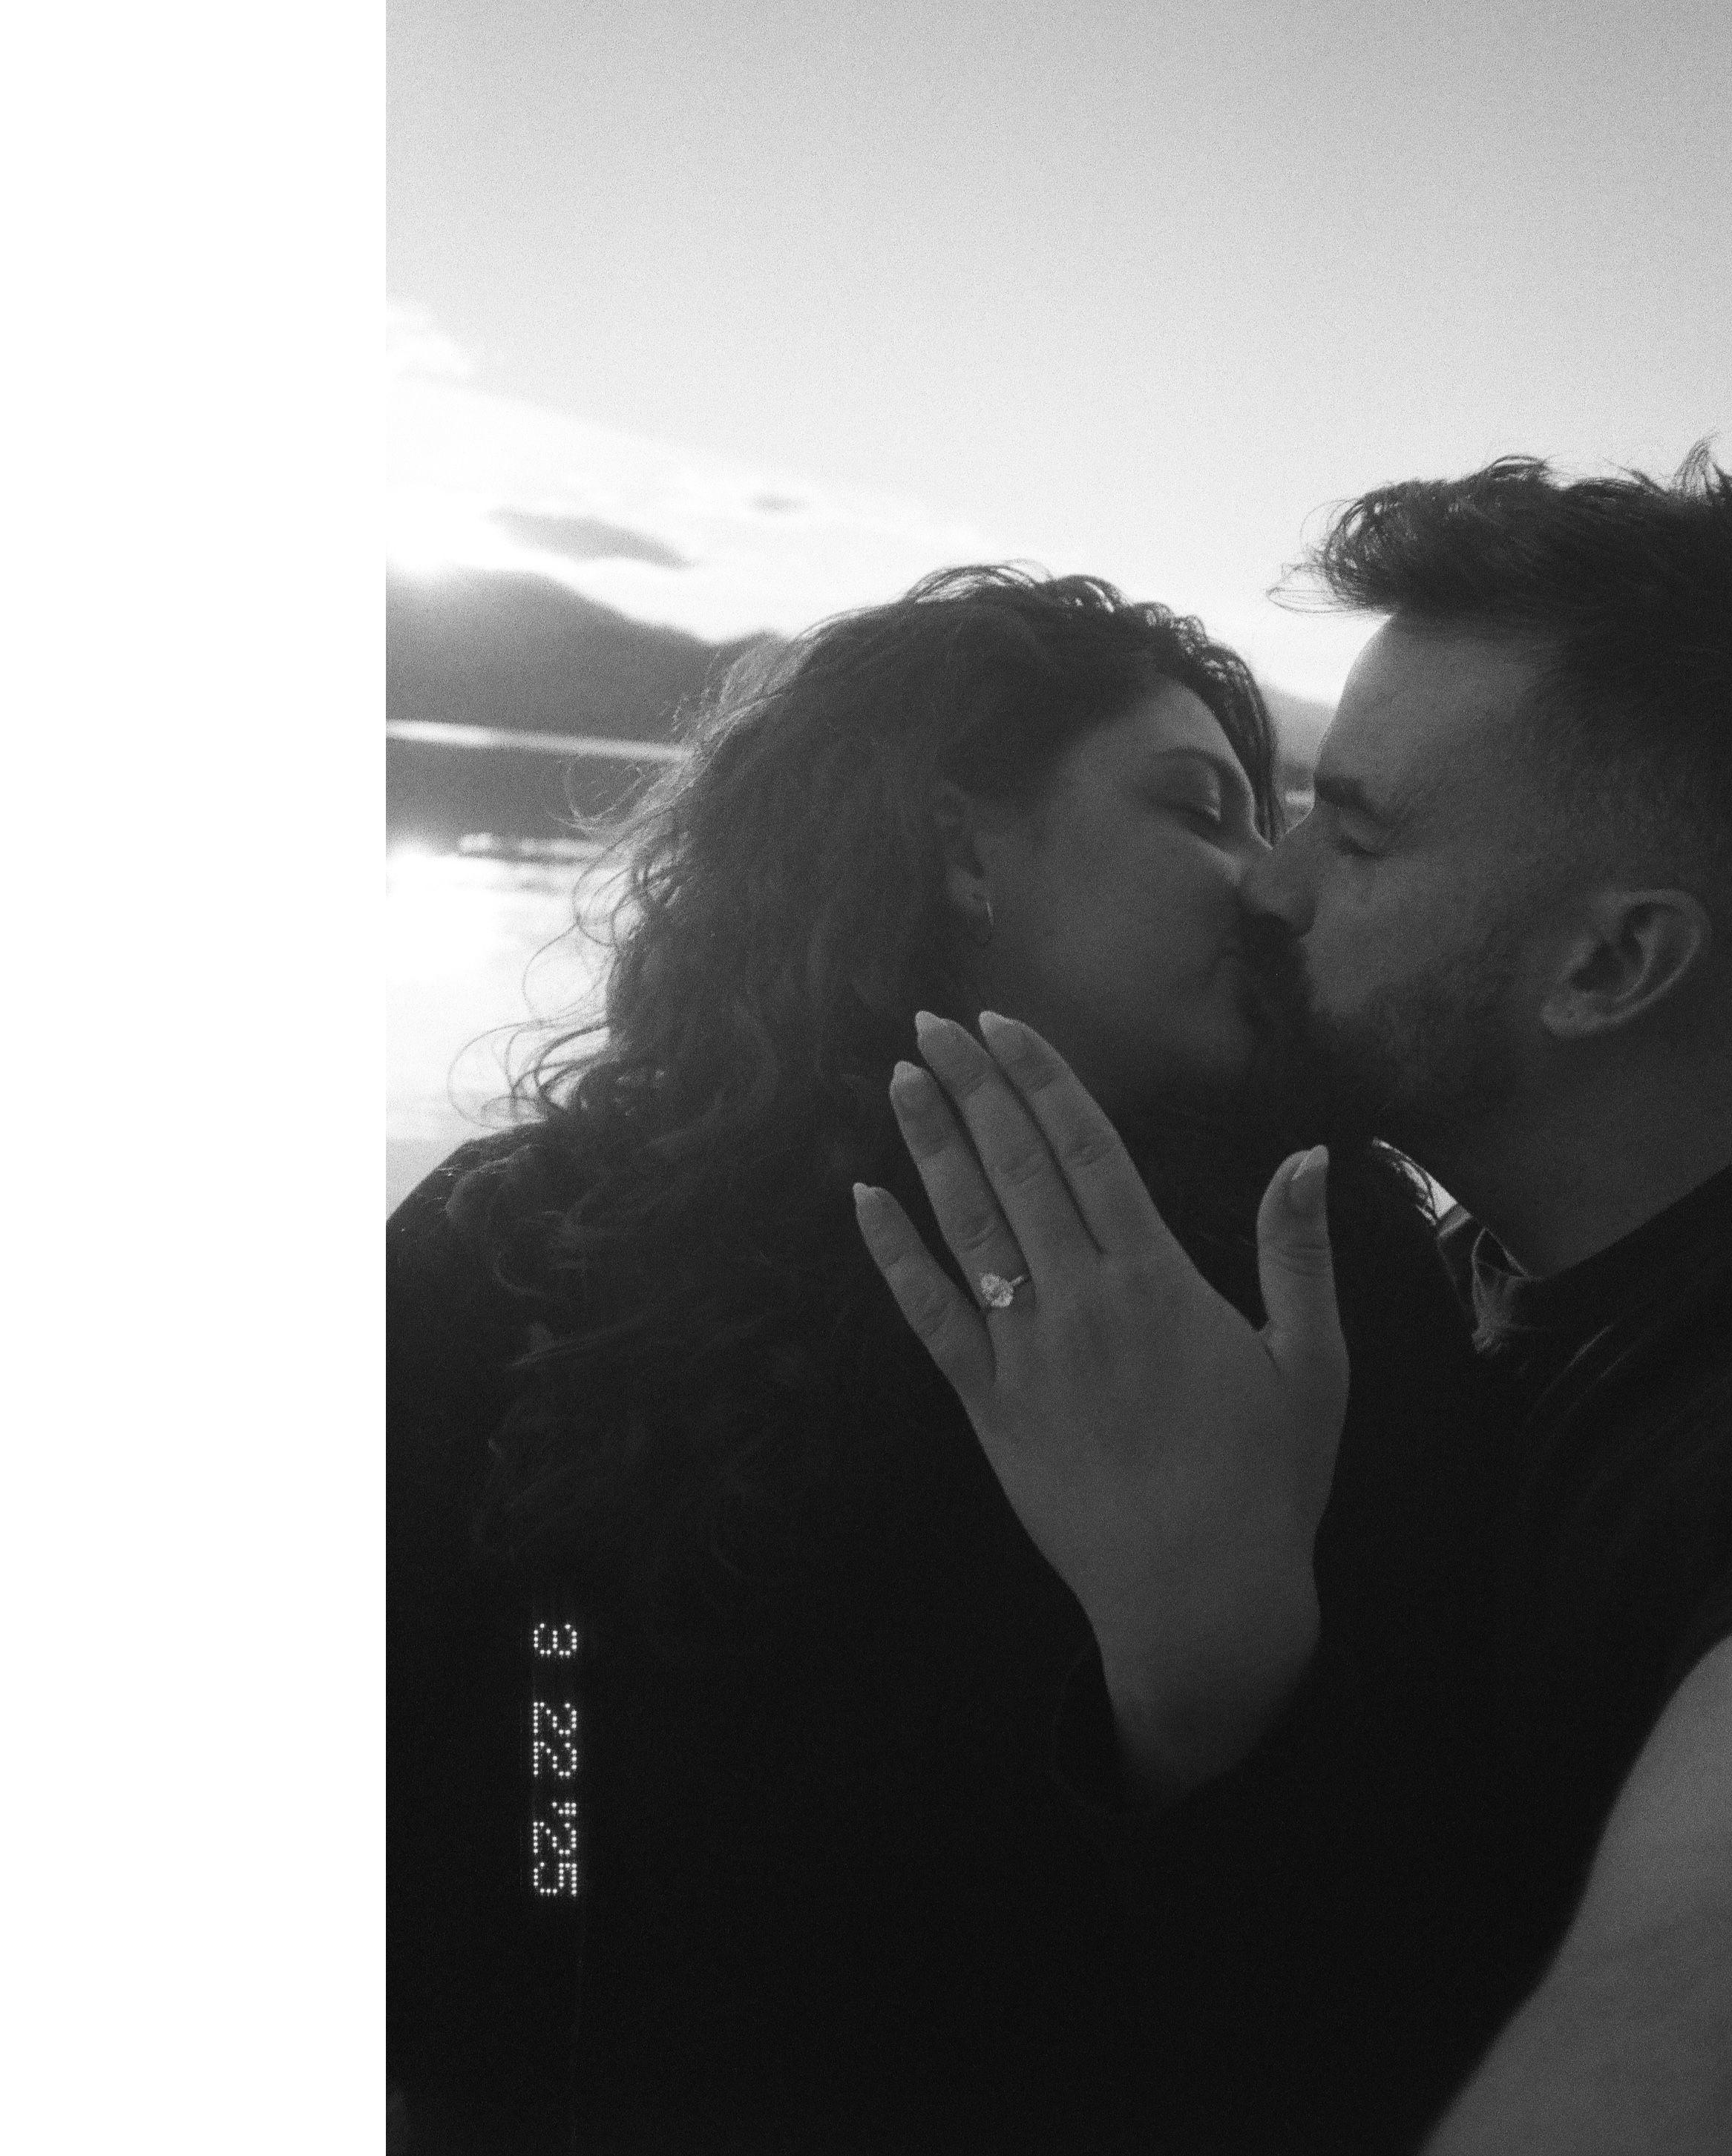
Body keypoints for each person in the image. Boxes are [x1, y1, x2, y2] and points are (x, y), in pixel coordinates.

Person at [860, 451, 1732, 2153]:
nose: (1266, 887)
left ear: (1609, 965)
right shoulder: (1458, 1282)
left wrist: (1203, 1670)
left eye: (1353, 834)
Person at [387, 565, 1489, 2154]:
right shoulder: (523, 1248)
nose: (1265, 887)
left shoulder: (1321, 1270)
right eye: (1199, 809)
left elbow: (1405, 1968)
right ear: (963, 845)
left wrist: (1213, 1688)